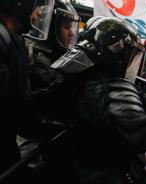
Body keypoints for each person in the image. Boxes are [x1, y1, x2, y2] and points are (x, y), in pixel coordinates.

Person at [46, 16, 146, 184]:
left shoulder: (83, 76)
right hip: (106, 173)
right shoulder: (109, 86)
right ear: (117, 52)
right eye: (130, 53)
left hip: (81, 164)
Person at [18, 0, 80, 160]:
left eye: (73, 26)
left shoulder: (57, 54)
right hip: (34, 145)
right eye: (66, 26)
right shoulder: (34, 57)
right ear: (51, 26)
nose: (72, 32)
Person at [0, 0, 55, 182]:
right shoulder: (3, 38)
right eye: (35, 7)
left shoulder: (15, 39)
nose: (38, 14)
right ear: (19, 4)